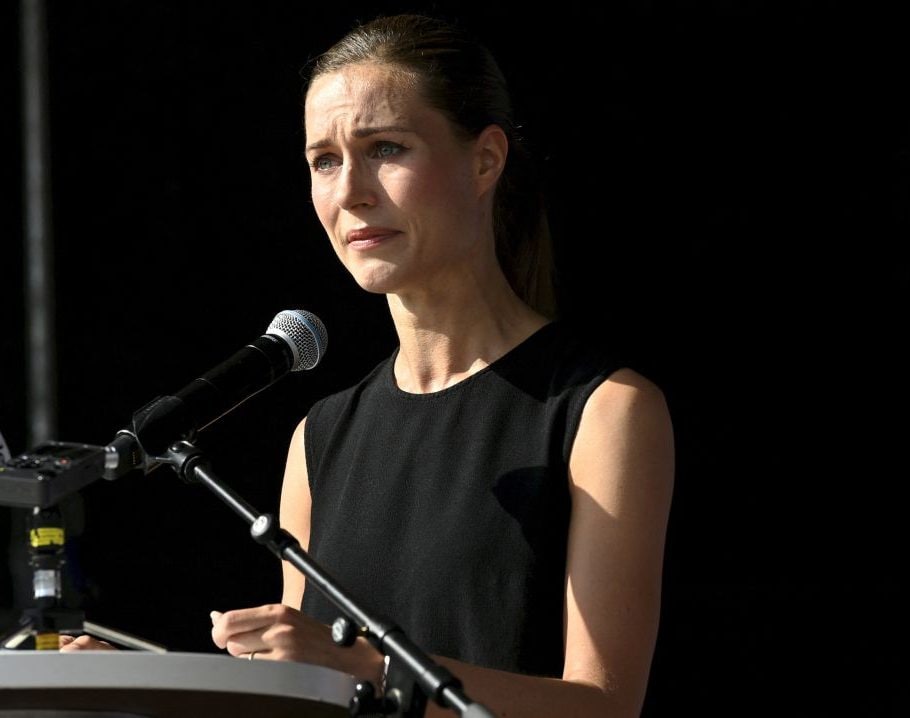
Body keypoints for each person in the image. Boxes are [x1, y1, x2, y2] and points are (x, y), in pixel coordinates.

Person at [61, 12, 674, 717]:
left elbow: (604, 706)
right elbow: (300, 701)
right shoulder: (318, 437)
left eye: (385, 148)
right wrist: (150, 692)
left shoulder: (602, 410)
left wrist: (368, 666)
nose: (350, 191)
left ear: (485, 160)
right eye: (323, 160)